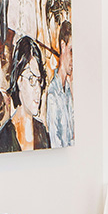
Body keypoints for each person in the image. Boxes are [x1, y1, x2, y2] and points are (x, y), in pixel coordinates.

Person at [0, 36, 51, 153]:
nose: (37, 90)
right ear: (19, 81)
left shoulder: (42, 133)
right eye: (31, 79)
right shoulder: (4, 138)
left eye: (39, 80)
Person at [45, 20, 74, 148]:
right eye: (72, 51)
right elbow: (55, 144)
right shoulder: (52, 94)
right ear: (63, 46)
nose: (74, 59)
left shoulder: (68, 91)